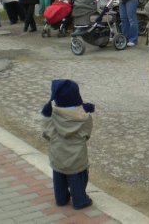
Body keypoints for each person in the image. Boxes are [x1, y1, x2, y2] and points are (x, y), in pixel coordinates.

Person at [41, 79, 94, 210]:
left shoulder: (51, 115)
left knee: (58, 176)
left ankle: (61, 199)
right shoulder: (84, 117)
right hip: (77, 157)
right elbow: (86, 135)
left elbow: (47, 134)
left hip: (57, 154)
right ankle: (80, 200)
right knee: (77, 177)